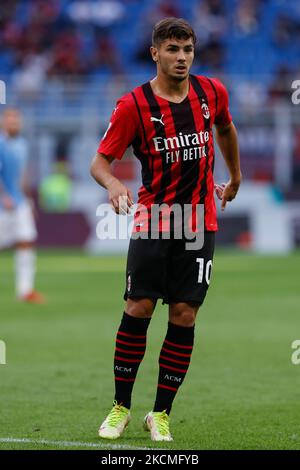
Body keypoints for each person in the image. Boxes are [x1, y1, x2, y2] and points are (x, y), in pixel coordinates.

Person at [90, 17, 241, 442]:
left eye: (188, 49)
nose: (182, 58)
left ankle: (161, 413)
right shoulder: (133, 105)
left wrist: (236, 175)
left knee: (184, 313)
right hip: (155, 219)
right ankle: (120, 405)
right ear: (155, 53)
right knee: (138, 307)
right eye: (173, 50)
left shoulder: (213, 92)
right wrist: (116, 183)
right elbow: (100, 162)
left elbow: (226, 128)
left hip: (198, 221)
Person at [0, 108, 44, 303]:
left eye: (16, 120)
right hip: (4, 203)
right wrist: (3, 196)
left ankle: (25, 290)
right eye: (9, 120)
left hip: (20, 202)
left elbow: (22, 175)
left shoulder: (22, 144)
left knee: (26, 241)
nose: (13, 123)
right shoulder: (1, 144)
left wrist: (29, 199)